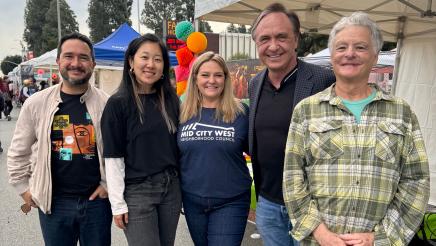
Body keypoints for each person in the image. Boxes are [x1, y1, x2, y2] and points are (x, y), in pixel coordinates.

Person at [283, 12, 430, 245]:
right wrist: (321, 233)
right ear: (332, 56)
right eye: (341, 47)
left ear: (375, 55)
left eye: (360, 47)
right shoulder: (306, 111)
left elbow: (416, 181)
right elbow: (292, 179)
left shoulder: (401, 113)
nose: (349, 53)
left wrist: (380, 238)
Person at [7, 33, 112, 246]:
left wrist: (107, 184)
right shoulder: (36, 104)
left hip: (97, 204)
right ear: (58, 62)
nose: (76, 63)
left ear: (93, 63)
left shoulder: (107, 104)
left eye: (83, 57)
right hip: (54, 204)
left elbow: (120, 150)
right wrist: (24, 190)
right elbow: (18, 151)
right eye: (69, 56)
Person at [248, 3, 336, 245]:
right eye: (264, 39)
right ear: (256, 43)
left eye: (282, 37)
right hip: (267, 204)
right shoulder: (255, 84)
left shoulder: (323, 80)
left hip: (313, 208)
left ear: (296, 39)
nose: (273, 46)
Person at [101, 33, 181, 246]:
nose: (150, 64)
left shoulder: (171, 100)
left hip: (171, 188)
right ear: (131, 61)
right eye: (144, 57)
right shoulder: (117, 104)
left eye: (157, 59)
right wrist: (117, 204)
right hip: (138, 192)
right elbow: (113, 157)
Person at [178, 52, 251, 245]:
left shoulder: (241, 112)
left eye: (218, 75)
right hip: (193, 201)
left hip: (231, 200)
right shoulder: (181, 113)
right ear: (195, 78)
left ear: (226, 79)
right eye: (205, 75)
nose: (212, 80)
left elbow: (260, 153)